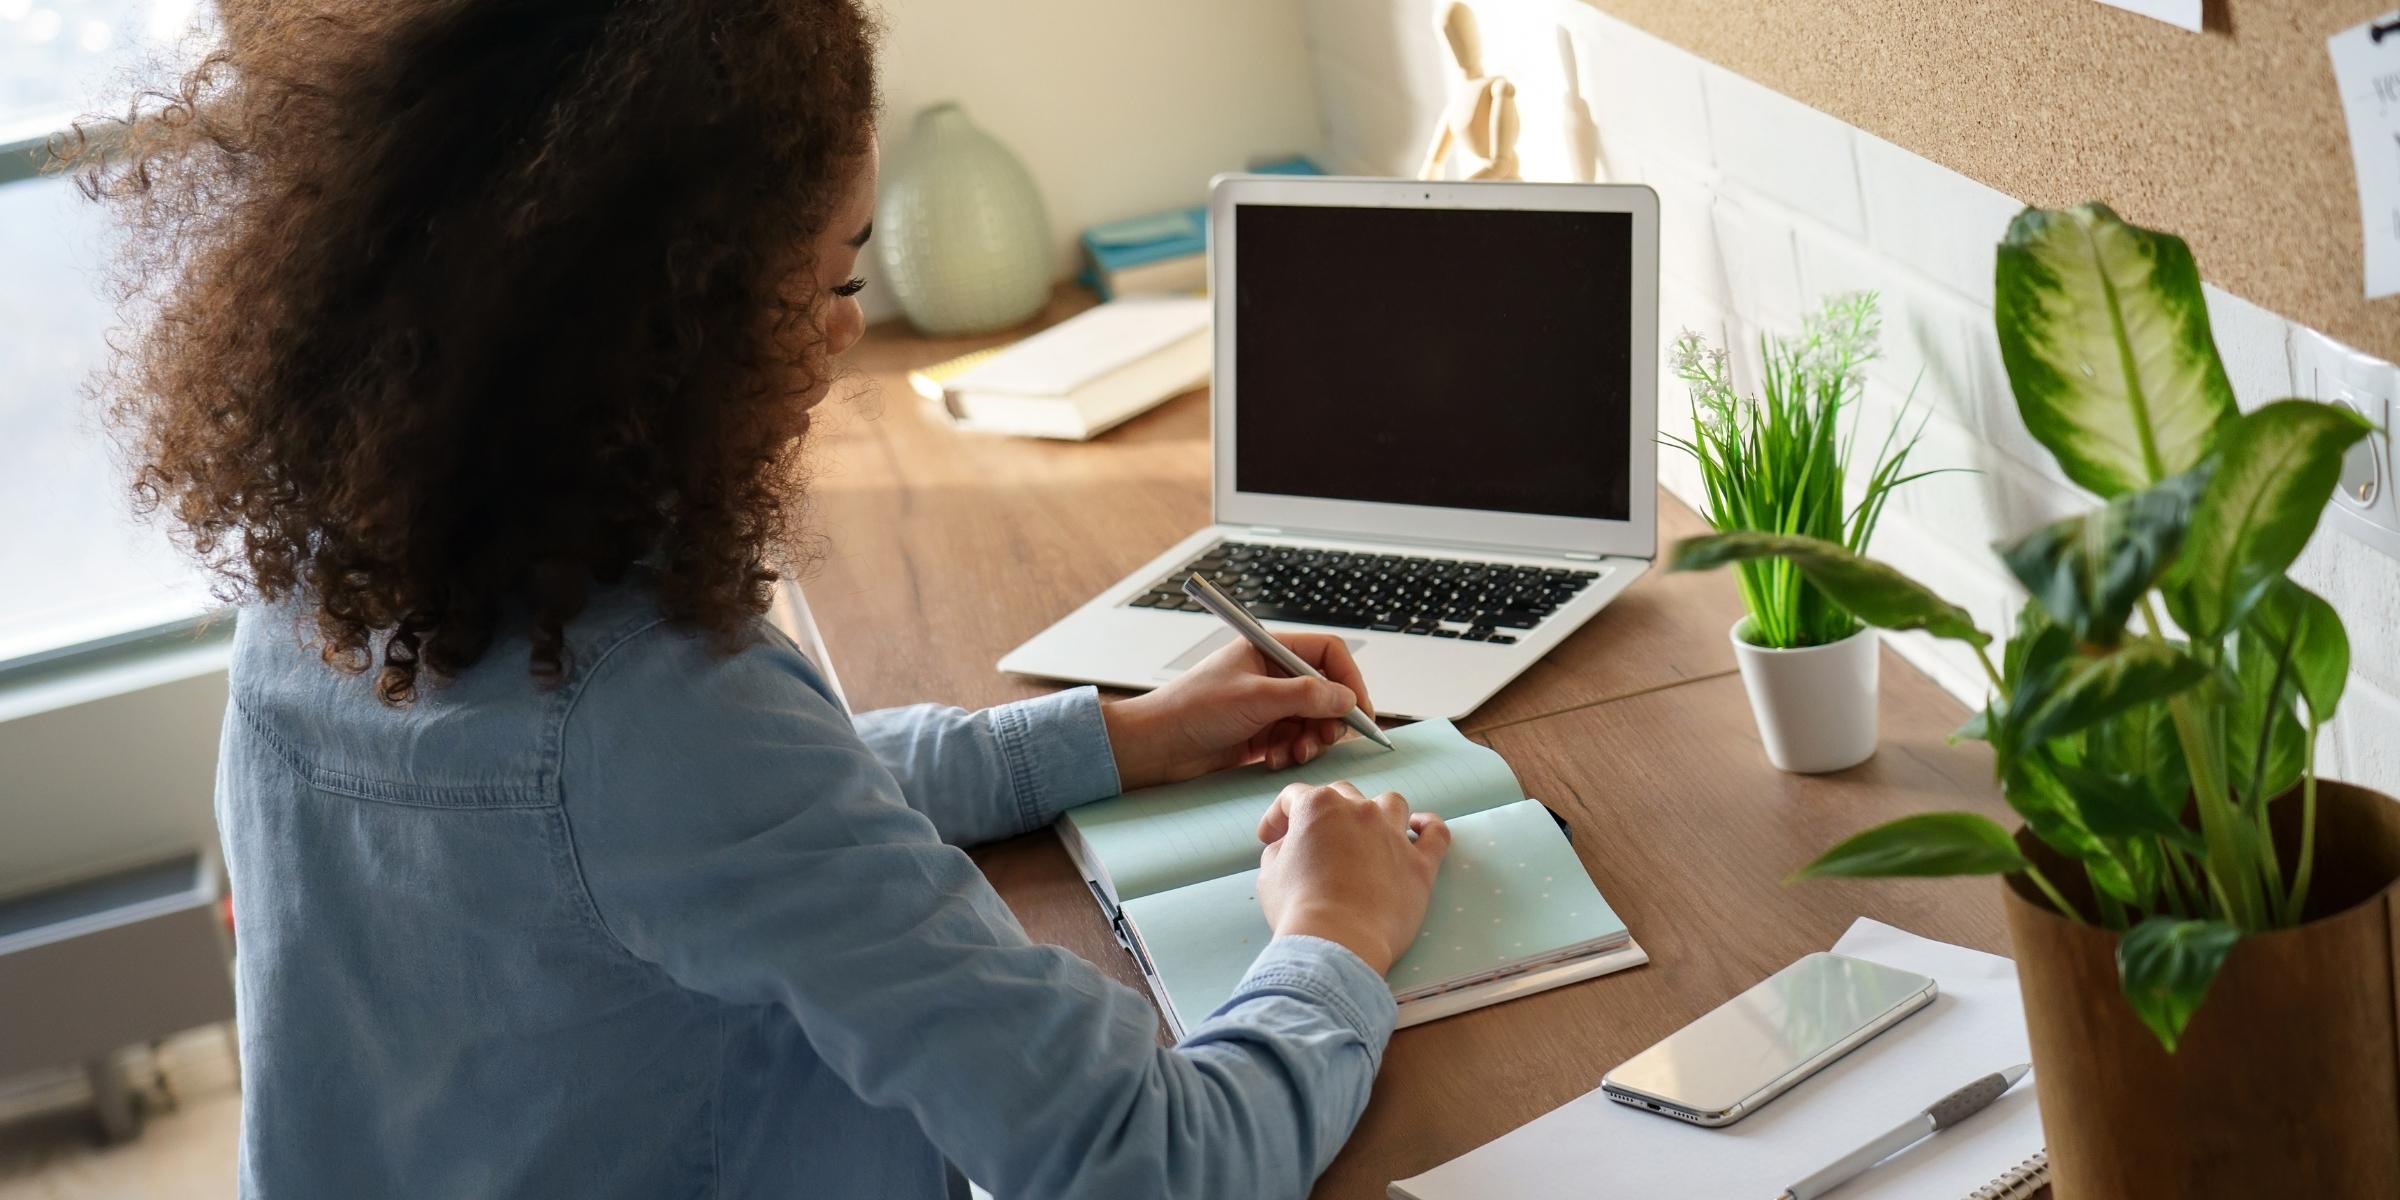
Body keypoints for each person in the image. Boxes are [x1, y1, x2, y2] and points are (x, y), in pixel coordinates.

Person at [79, 0, 1452, 1195]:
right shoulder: (655, 707)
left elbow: (708, 830)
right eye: (835, 274)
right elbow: (1148, 1163)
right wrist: (1336, 928)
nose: (848, 330)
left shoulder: (334, 577)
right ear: (676, 317)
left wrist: (1117, 737)